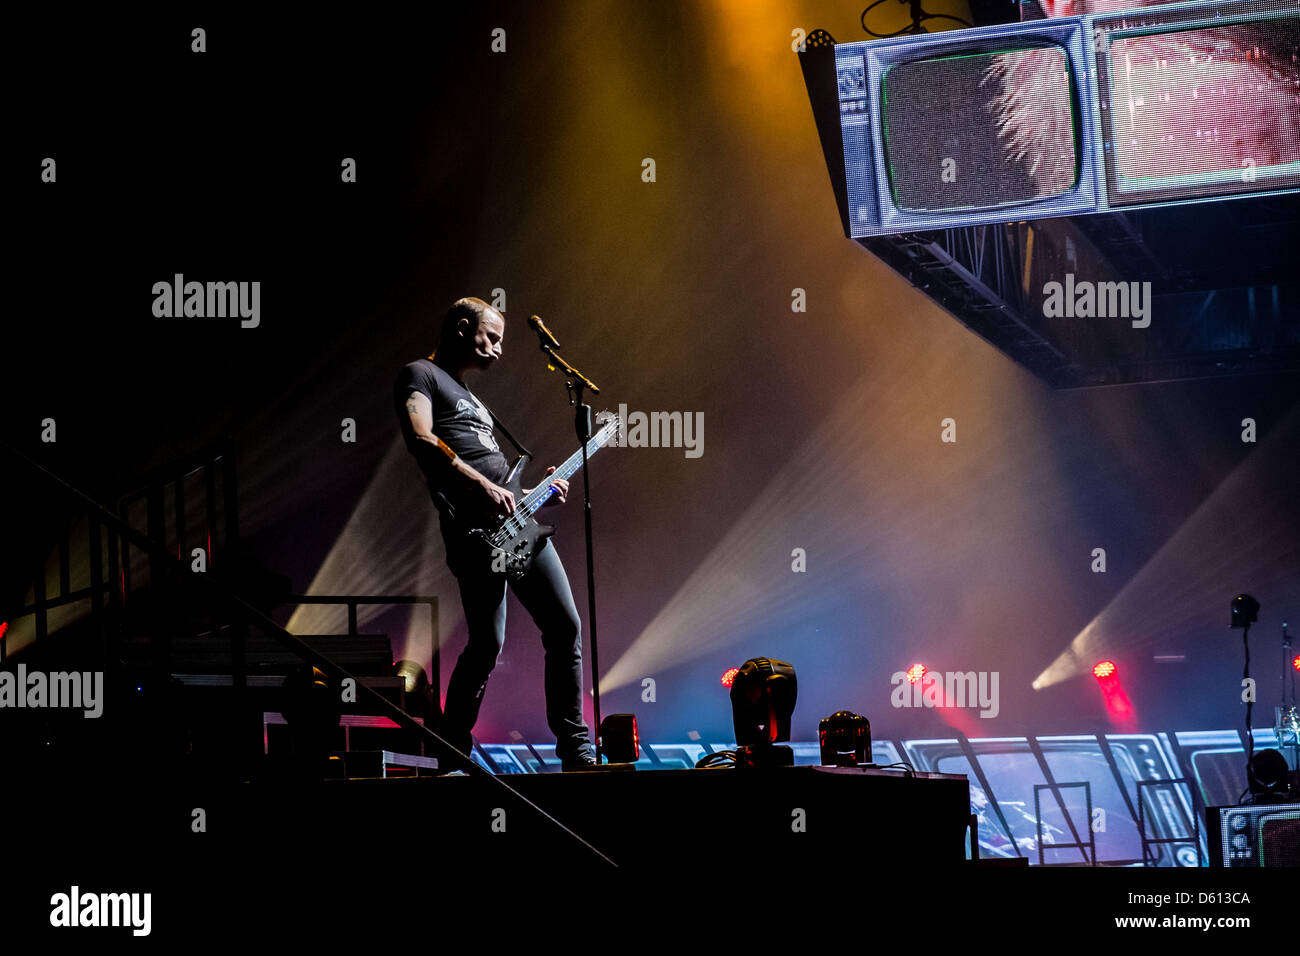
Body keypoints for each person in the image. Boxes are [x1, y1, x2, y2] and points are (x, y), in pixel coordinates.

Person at [393, 297, 596, 771]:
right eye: (493, 337)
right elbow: (420, 438)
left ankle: (576, 750)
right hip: (473, 531)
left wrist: (537, 491)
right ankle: (451, 750)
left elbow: (501, 476)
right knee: (486, 644)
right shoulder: (419, 375)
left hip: (517, 524)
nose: (500, 349)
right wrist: (481, 485)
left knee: (565, 628)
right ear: (463, 328)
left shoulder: (474, 398)